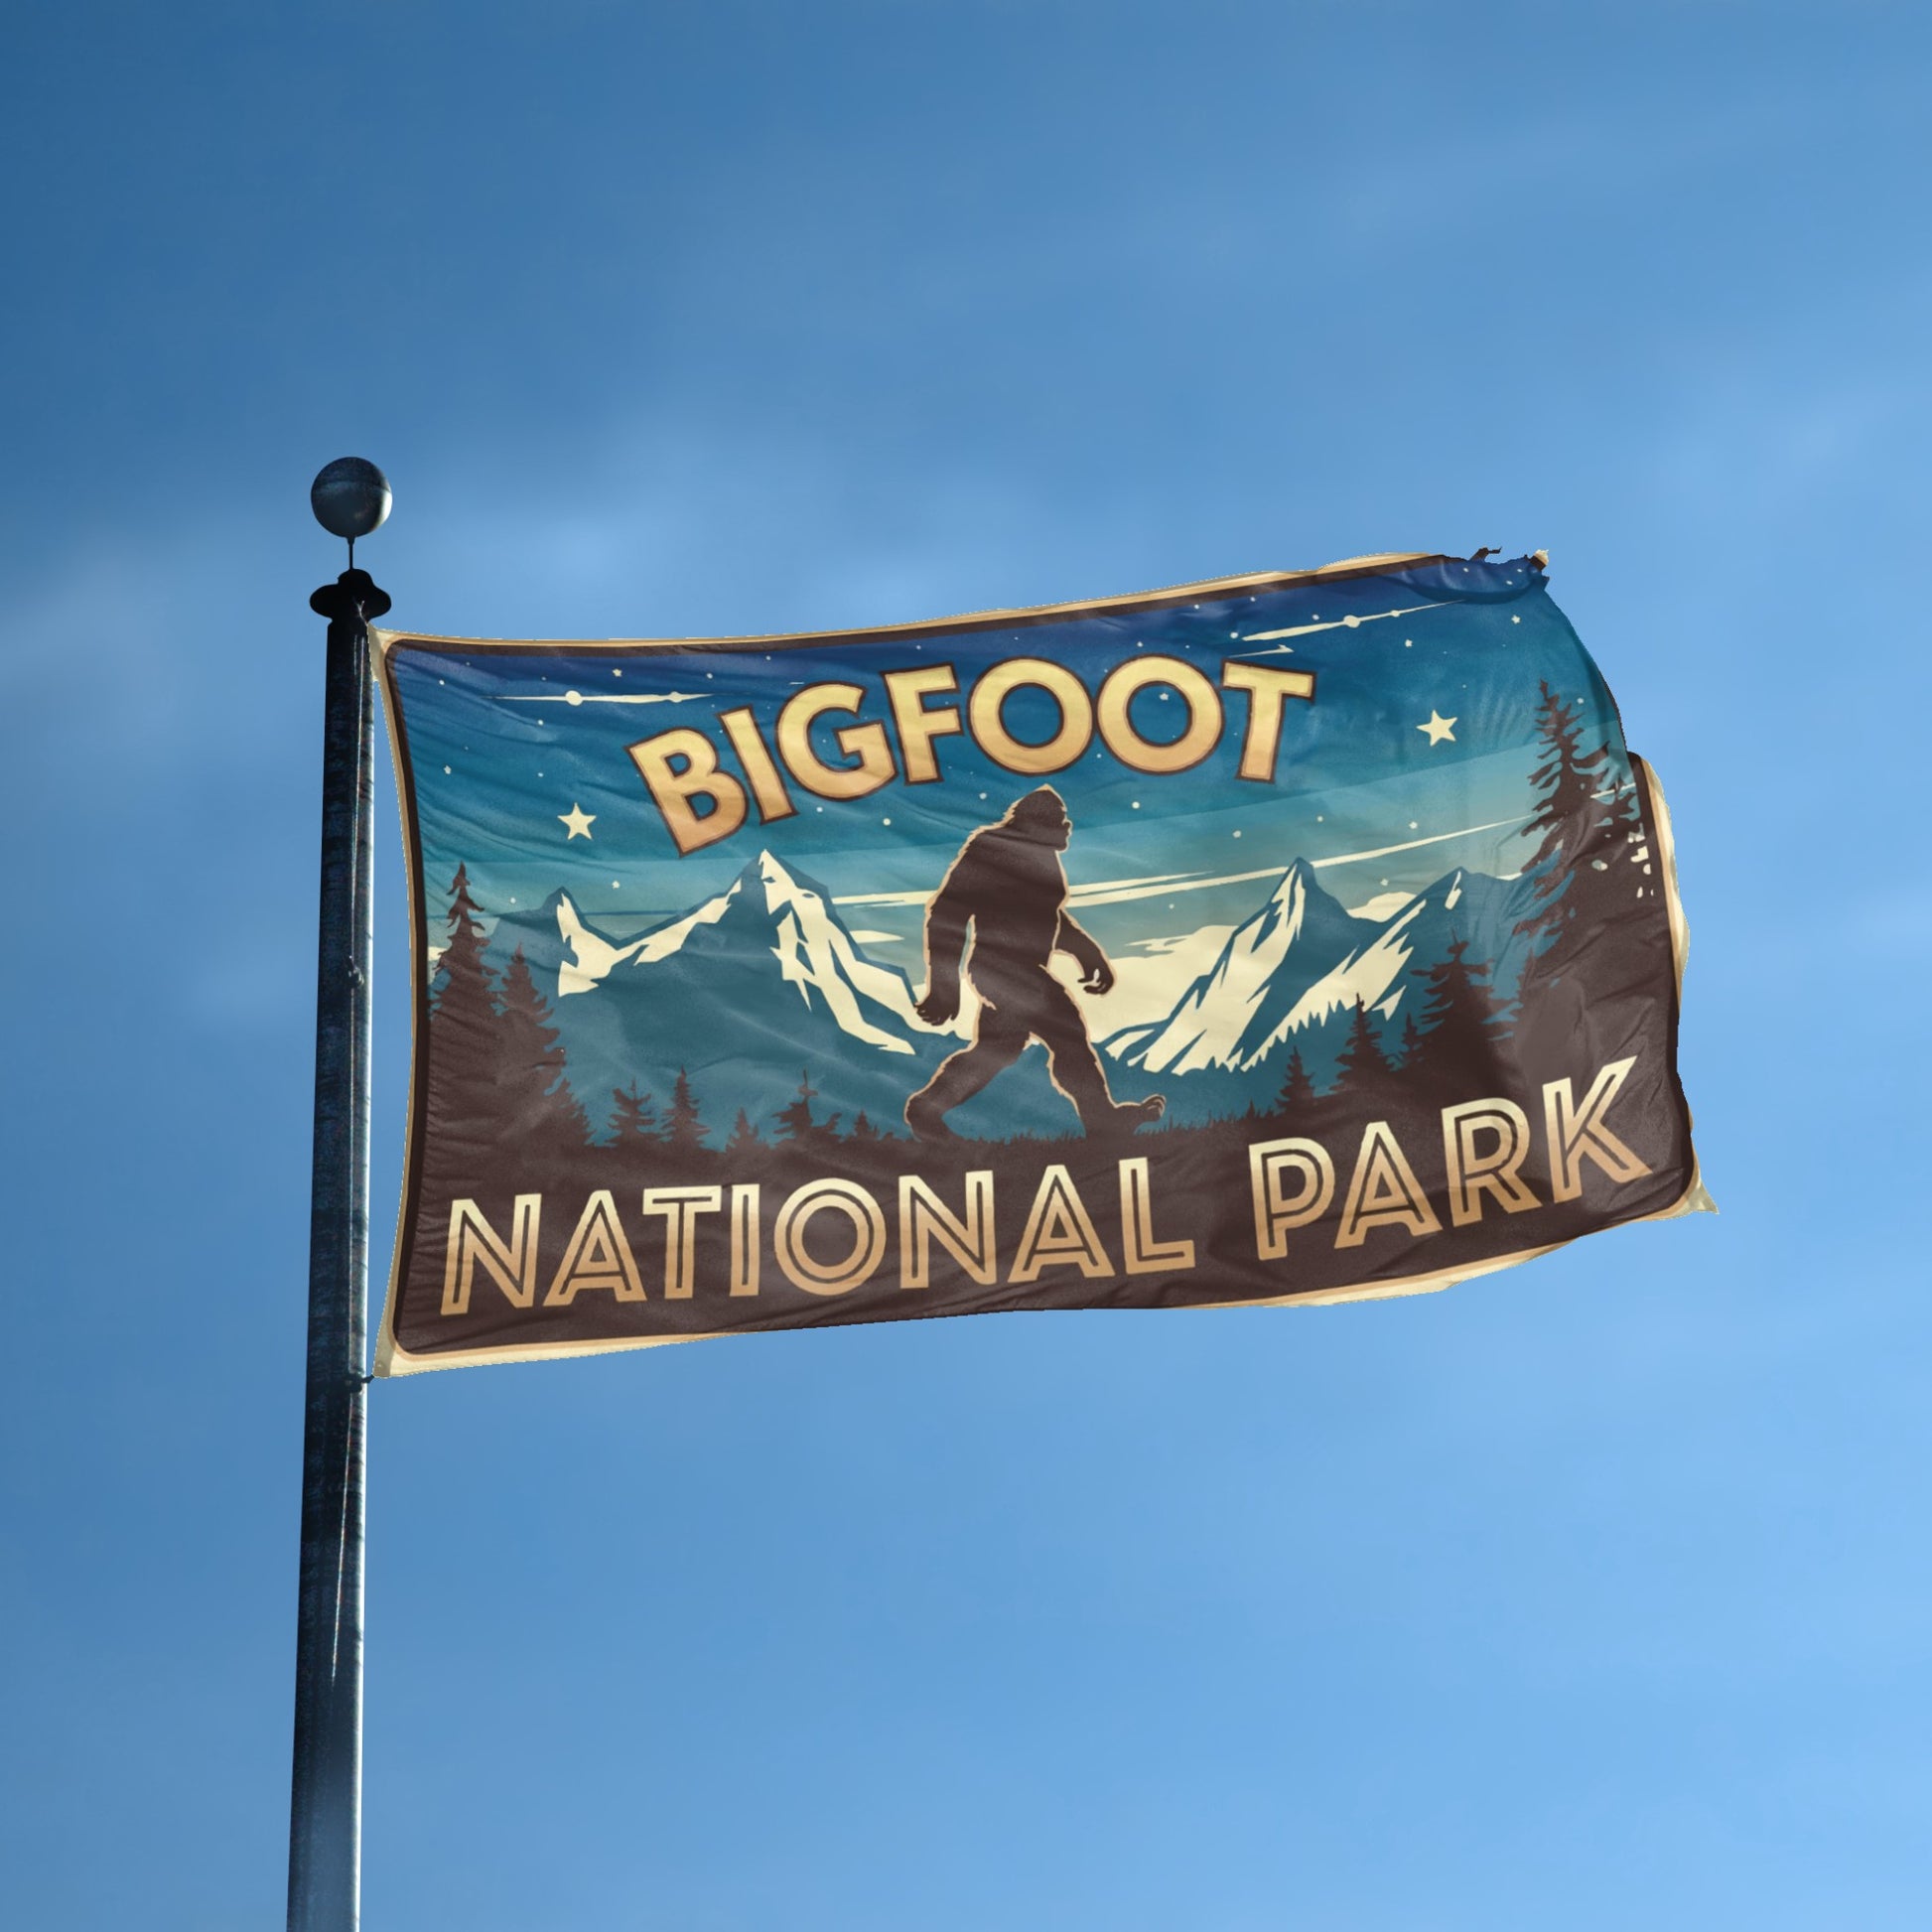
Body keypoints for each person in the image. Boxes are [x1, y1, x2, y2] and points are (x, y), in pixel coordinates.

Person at [905, 787, 1166, 1141]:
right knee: (1067, 1032)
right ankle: (1104, 1123)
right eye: (1059, 821)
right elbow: (946, 914)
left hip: (1019, 968)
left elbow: (1045, 915)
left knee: (998, 1050)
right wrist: (943, 985)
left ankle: (926, 1110)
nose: (1068, 828)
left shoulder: (1038, 852)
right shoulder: (992, 848)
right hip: (1002, 968)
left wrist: (1086, 952)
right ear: (1034, 824)